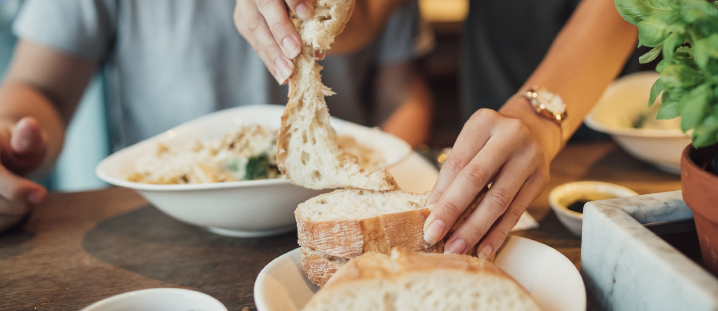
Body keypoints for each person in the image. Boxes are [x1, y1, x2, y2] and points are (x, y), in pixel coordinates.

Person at [244, 0, 638, 259]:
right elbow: (363, 14)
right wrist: (305, 13)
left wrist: (539, 115)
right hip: (496, 60)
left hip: (609, 91)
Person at [0, 0, 432, 226]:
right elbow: (40, 91)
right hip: (163, 227)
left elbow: (403, 96)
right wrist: (12, 135)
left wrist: (389, 177)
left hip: (335, 209)